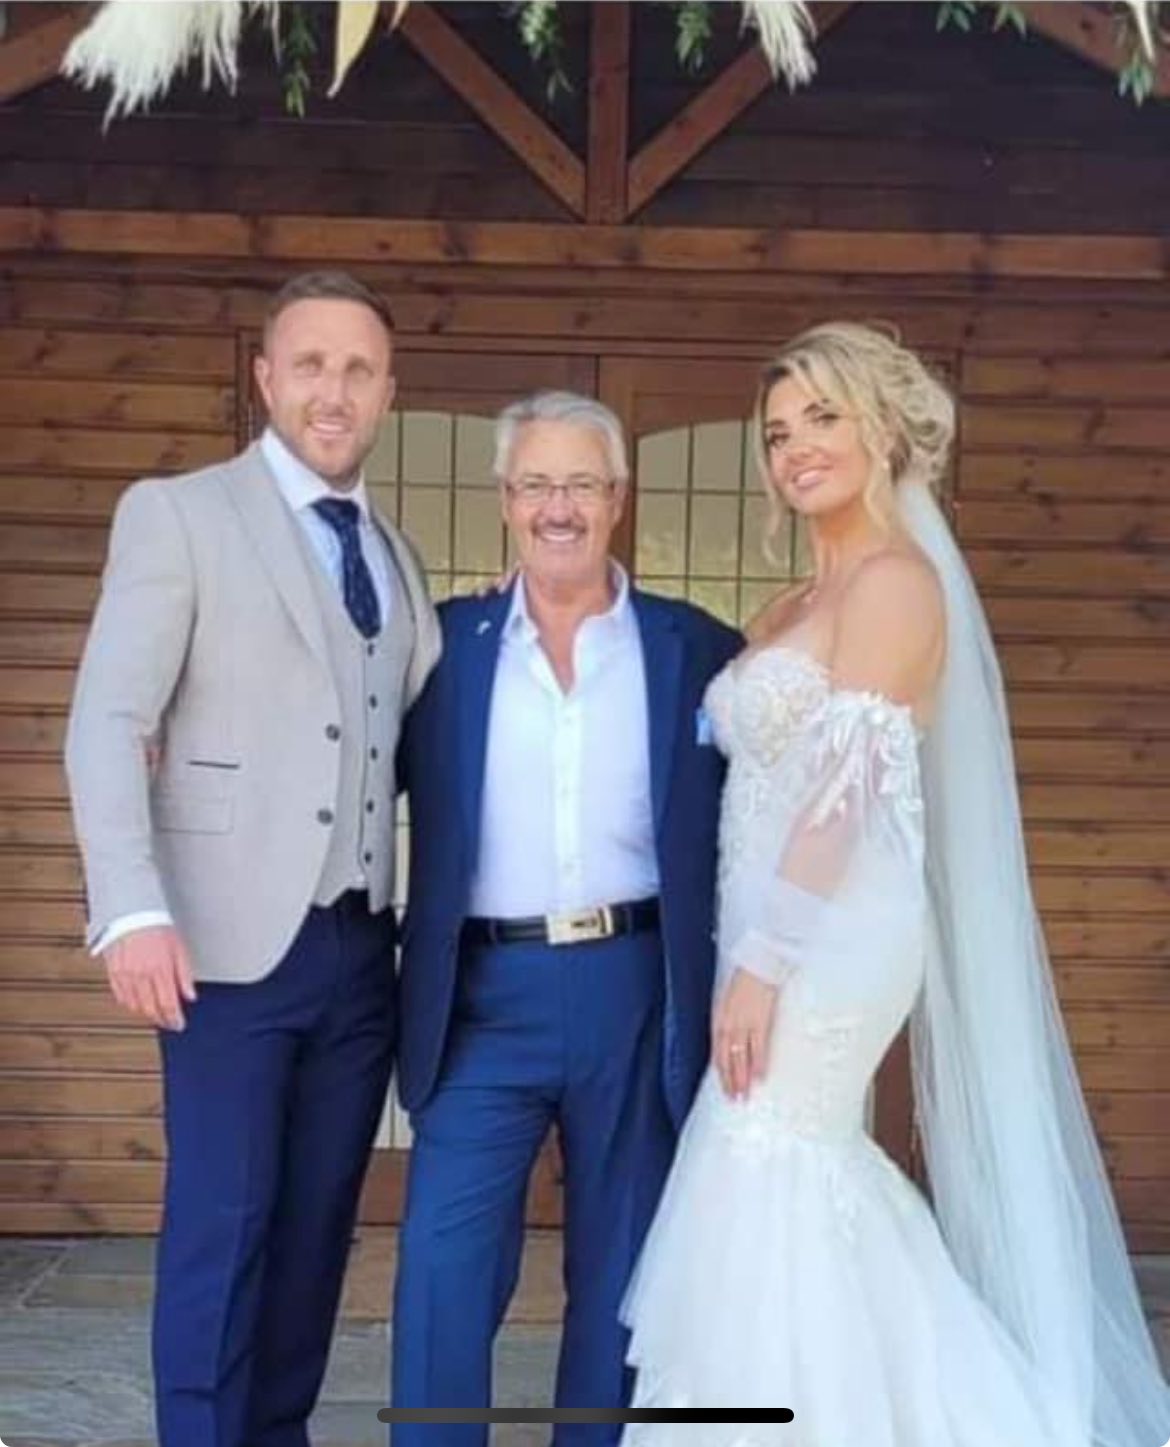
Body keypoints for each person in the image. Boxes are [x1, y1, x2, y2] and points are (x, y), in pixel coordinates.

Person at [621, 323, 1170, 1445]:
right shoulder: (787, 606)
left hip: (826, 938)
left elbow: (844, 795)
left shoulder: (898, 586)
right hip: (761, 931)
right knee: (781, 1168)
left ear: (881, 429)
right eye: (778, 432)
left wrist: (766, 962)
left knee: (768, 1153)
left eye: (822, 417)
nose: (796, 448)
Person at [65, 270, 440, 1447]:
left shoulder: (395, 553)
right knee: (222, 1228)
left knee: (317, 1230)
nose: (335, 390)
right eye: (311, 364)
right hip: (221, 947)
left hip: (359, 951)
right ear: (267, 377)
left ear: (387, 392)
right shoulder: (180, 515)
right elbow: (109, 719)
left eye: (359, 369)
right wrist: (132, 910)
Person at [390, 391, 741, 1444]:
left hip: (636, 983)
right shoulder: (441, 647)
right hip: (480, 994)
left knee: (622, 1265)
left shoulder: (697, 648)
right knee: (443, 1262)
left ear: (618, 498)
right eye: (537, 483)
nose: (559, 507)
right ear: (505, 498)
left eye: (581, 483)